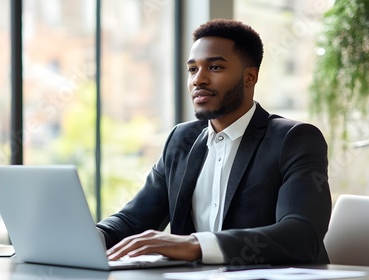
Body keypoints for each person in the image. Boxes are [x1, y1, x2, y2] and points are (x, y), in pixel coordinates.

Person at [97, 18, 332, 266]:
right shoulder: (181, 140)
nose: (199, 79)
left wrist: (196, 245)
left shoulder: (294, 139)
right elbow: (133, 221)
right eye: (192, 69)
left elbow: (302, 235)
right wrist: (91, 235)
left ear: (250, 77)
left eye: (215, 68)